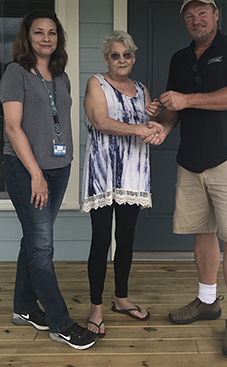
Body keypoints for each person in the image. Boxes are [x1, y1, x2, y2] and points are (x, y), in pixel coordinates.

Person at [146, 0, 227, 358]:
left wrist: (186, 99)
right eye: (190, 15)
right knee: (203, 233)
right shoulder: (179, 59)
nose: (197, 19)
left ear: (215, 14)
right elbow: (174, 110)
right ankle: (207, 301)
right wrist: (161, 126)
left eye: (202, 12)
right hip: (191, 159)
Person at [0, 9, 98, 350]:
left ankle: (24, 307)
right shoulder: (16, 73)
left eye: (52, 32)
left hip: (59, 169)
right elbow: (13, 127)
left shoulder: (61, 75)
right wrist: (36, 174)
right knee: (42, 247)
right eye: (39, 32)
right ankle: (60, 323)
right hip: (27, 171)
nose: (46, 38)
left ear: (58, 39)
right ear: (27, 37)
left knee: (33, 240)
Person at [81, 30, 162, 338]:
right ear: (106, 59)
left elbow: (147, 124)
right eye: (115, 55)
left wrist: (153, 120)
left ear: (133, 57)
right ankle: (96, 308)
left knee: (126, 239)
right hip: (104, 172)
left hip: (133, 173)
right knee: (101, 240)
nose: (121, 60)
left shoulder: (141, 89)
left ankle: (121, 298)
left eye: (126, 54)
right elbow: (100, 121)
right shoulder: (96, 83)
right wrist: (141, 127)